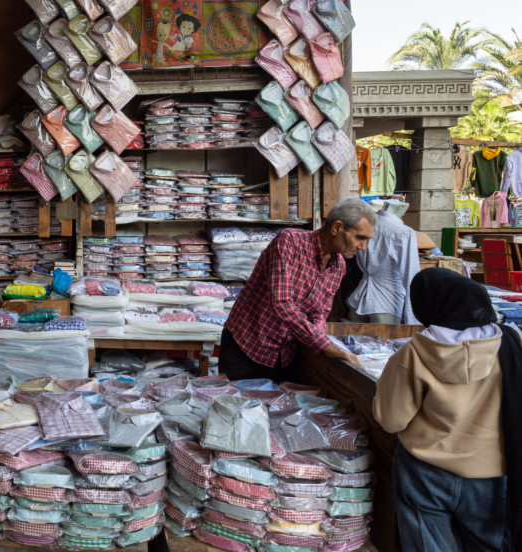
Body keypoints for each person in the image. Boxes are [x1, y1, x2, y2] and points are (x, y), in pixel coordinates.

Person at [373, 268, 514, 551]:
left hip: (426, 472)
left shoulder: (412, 354)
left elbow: (390, 420)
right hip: (491, 471)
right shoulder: (510, 344)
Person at [219, 198, 376, 381]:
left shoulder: (338, 266)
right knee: (238, 405)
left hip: (284, 355)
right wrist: (324, 345)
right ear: (336, 228)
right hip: (247, 346)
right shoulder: (289, 242)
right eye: (360, 238)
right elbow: (282, 302)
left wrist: (317, 339)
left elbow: (320, 312)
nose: (363, 247)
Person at [346, 208, 420, 324]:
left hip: (358, 299)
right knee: (384, 341)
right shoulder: (404, 232)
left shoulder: (364, 225)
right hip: (387, 303)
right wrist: (413, 323)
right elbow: (411, 276)